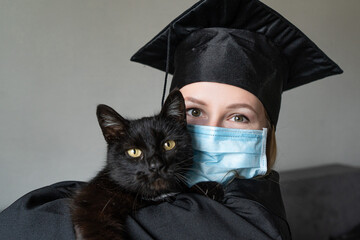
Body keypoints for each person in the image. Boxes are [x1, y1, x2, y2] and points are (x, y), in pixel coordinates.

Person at [0, 0, 342, 239]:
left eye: (239, 116)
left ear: (266, 134)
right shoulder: (175, 182)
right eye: (194, 112)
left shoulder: (246, 225)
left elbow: (25, 224)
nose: (211, 130)